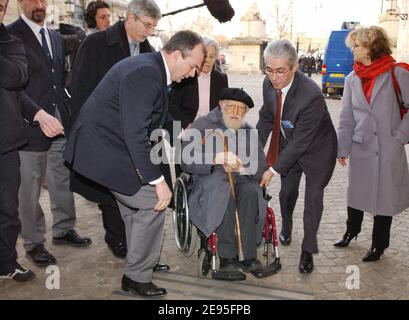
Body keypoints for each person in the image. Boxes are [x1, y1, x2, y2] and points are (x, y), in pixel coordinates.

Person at [63, 30, 205, 297]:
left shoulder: (153, 69)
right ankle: (137, 275)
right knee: (155, 200)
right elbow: (136, 134)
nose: (194, 74)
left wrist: (186, 135)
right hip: (103, 150)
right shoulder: (146, 73)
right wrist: (159, 181)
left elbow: (158, 118)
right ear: (176, 55)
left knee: (135, 207)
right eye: (193, 66)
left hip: (111, 147)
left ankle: (139, 263)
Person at [69, 0, 163, 263]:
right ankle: (116, 239)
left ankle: (134, 245)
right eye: (146, 25)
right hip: (101, 131)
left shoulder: (148, 50)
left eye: (153, 27)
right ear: (130, 18)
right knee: (108, 189)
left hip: (131, 132)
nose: (149, 32)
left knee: (130, 187)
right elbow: (80, 90)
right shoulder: (96, 44)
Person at [7, 0, 92, 268]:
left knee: (61, 177)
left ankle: (64, 229)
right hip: (28, 124)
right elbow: (14, 87)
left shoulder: (55, 37)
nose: (39, 4)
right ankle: (34, 242)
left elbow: (60, 77)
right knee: (29, 190)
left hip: (58, 120)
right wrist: (34, 114)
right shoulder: (10, 35)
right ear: (21, 2)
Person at [256, 39, 337, 274]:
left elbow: (302, 142)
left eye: (281, 71)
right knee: (287, 192)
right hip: (289, 144)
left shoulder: (311, 95)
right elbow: (266, 117)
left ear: (294, 67)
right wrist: (253, 151)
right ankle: (287, 225)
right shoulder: (267, 83)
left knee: (313, 200)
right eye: (269, 70)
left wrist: (273, 169)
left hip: (317, 152)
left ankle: (307, 250)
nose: (274, 77)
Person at [180, 88, 275, 281]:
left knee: (249, 192)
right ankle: (226, 257)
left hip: (241, 178)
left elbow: (261, 164)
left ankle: (248, 256)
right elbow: (185, 160)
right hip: (210, 179)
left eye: (242, 109)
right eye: (231, 106)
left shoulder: (248, 131)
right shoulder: (202, 125)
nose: (236, 112)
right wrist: (215, 158)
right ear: (221, 105)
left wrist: (244, 166)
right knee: (224, 191)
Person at [334, 26, 409, 262]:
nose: (353, 50)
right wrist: (342, 148)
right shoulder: (351, 79)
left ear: (371, 47)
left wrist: (399, 137)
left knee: (384, 199)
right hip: (361, 147)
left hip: (388, 148)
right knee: (356, 194)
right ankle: (351, 231)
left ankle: (379, 244)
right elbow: (346, 118)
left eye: (357, 46)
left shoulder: (397, 73)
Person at [0, 0, 36, 282]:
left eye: (0, 7)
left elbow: (15, 77)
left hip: (5, 143)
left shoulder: (11, 42)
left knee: (7, 209)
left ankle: (6, 263)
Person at [169, 36, 228, 129]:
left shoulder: (221, 78)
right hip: (186, 126)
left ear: (215, 59)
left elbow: (223, 108)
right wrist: (187, 126)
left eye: (211, 56)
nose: (207, 60)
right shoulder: (185, 75)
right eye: (204, 55)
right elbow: (172, 106)